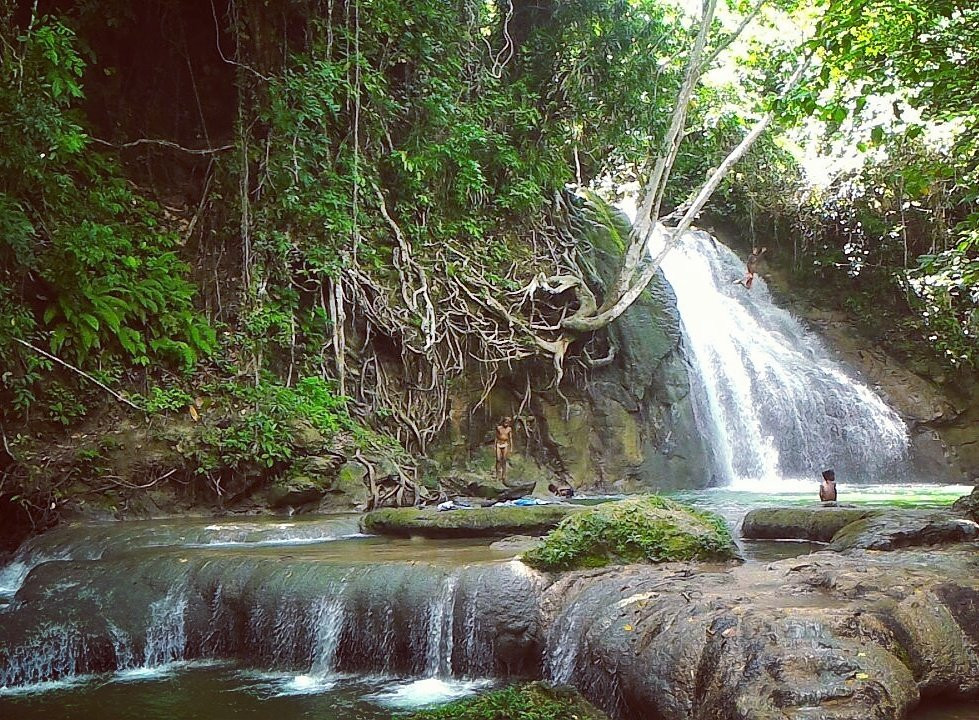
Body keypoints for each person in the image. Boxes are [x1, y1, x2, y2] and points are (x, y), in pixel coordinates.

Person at [494, 416, 514, 483]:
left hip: (505, 444)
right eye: (505, 422)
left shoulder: (509, 429)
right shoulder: (499, 428)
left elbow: (510, 438)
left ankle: (504, 476)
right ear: (503, 422)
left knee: (504, 460)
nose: (506, 423)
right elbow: (496, 437)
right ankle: (497, 475)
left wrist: (511, 447)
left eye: (508, 422)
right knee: (498, 460)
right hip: (499, 444)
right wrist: (495, 446)